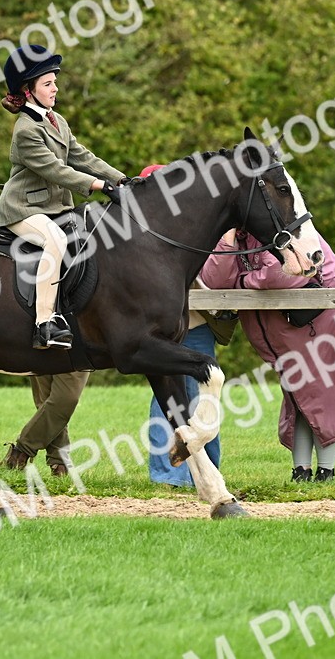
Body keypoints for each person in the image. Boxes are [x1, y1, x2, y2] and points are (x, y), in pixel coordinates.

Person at [201, 228, 335, 483]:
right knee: (299, 396)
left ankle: (326, 472)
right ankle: (300, 472)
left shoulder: (282, 223)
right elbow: (214, 280)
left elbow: (287, 272)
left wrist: (243, 282)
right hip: (290, 327)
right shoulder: (235, 234)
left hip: (325, 316)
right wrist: (227, 238)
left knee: (326, 393)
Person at [0, 44, 132, 350]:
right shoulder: (25, 130)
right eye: (48, 84)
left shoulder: (56, 120)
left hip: (53, 206)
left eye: (55, 82)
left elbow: (83, 157)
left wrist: (121, 178)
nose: (55, 89)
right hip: (22, 209)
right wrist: (99, 186)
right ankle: (45, 324)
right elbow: (56, 171)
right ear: (28, 91)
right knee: (56, 240)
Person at [137, 164, 234, 487]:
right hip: (164, 330)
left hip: (197, 324)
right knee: (168, 399)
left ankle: (208, 469)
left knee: (204, 400)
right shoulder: (144, 232)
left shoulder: (190, 225)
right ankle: (168, 475)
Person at [4, 370, 90, 476]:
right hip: (40, 353)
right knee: (46, 401)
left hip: (76, 353)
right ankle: (59, 466)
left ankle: (21, 451)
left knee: (65, 400)